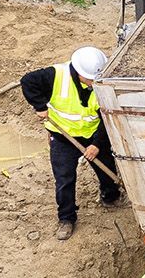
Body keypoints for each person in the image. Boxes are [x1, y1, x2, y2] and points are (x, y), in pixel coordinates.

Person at [20, 46, 118, 240]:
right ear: (80, 73)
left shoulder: (102, 84)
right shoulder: (55, 76)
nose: (94, 83)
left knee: (106, 169)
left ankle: (111, 196)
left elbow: (107, 121)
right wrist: (39, 106)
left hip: (92, 136)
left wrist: (96, 145)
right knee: (64, 179)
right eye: (91, 79)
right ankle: (66, 218)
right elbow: (27, 81)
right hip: (63, 137)